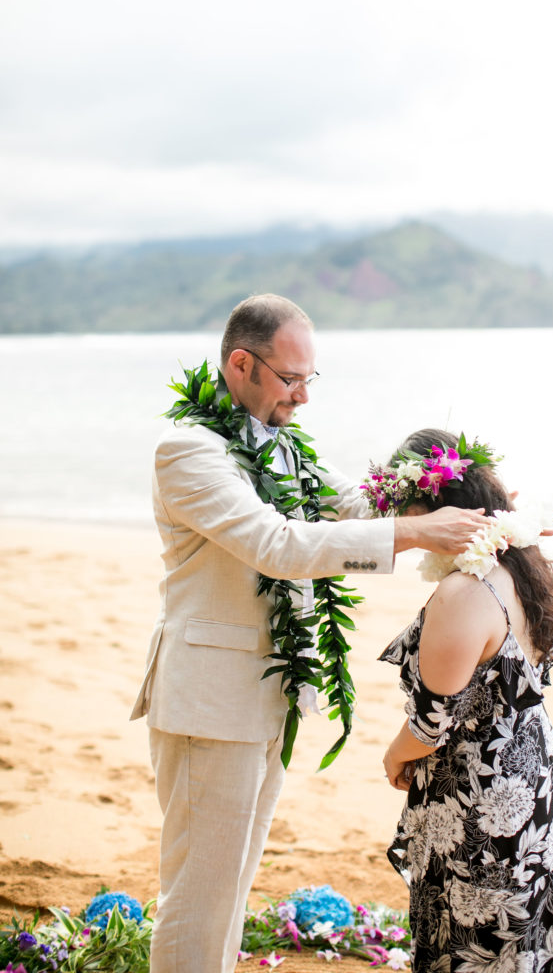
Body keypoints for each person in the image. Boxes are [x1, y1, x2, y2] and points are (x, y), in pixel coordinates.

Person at [130, 296, 494, 973]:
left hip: (271, 695)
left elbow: (350, 505)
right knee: (200, 891)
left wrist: (451, 497)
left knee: (232, 880)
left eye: (310, 379)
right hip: (209, 702)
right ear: (242, 364)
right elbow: (279, 544)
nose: (302, 396)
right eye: (290, 378)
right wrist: (414, 532)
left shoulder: (281, 445)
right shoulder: (188, 451)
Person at [376, 429, 553, 972]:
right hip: (530, 767)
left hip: (483, 786)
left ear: (430, 505)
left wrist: (394, 755)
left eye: (408, 511)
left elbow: (433, 719)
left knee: (475, 928)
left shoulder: (463, 591)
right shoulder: (518, 564)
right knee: (527, 916)